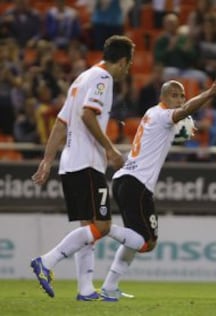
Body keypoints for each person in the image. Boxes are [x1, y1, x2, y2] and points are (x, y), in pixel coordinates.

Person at [99, 75, 216, 300]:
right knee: (146, 242)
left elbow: (175, 122)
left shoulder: (151, 113)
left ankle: (109, 287)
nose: (179, 99)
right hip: (136, 183)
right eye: (174, 95)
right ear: (163, 97)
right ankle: (102, 227)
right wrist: (209, 93)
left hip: (125, 180)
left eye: (182, 96)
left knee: (133, 240)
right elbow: (183, 112)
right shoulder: (162, 114)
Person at [30, 35, 135, 301]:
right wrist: (111, 149)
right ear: (122, 61)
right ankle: (46, 261)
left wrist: (47, 160)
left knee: (87, 226)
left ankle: (85, 289)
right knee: (101, 225)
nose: (128, 70)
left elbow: (60, 123)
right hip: (87, 162)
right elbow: (87, 114)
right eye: (128, 64)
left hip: (70, 162)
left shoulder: (82, 78)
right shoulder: (103, 79)